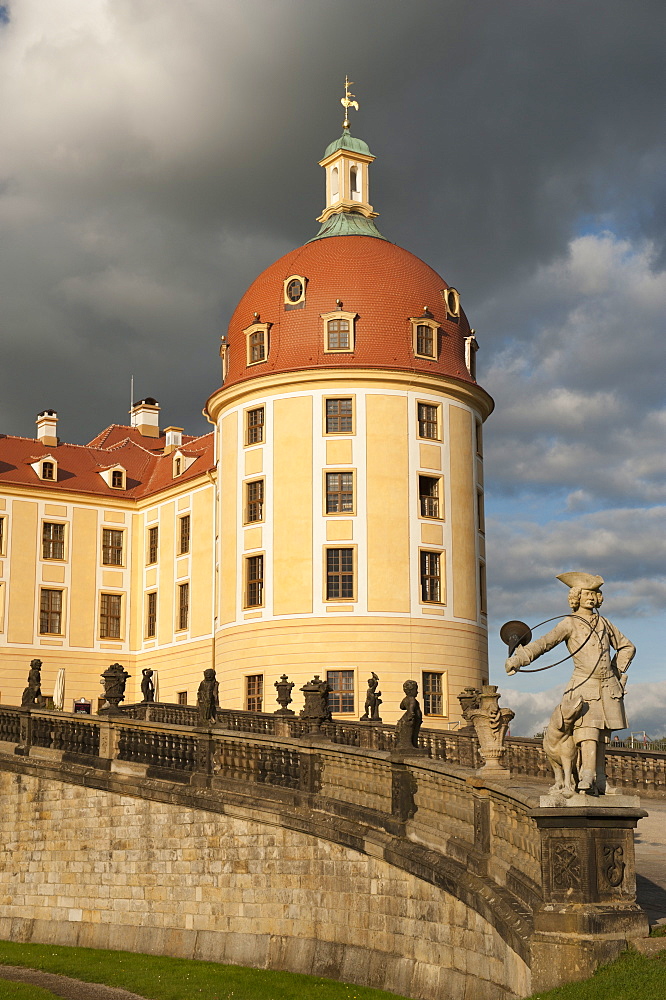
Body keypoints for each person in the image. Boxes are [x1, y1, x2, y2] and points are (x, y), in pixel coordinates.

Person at [505, 572, 634, 794]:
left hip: (608, 686)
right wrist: (519, 659)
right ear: (576, 597)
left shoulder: (605, 623)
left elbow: (627, 647)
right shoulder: (569, 623)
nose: (591, 598)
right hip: (584, 684)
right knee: (587, 731)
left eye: (594, 593)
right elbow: (545, 643)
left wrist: (616, 670)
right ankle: (587, 775)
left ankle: (601, 780)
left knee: (603, 736)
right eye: (586, 594)